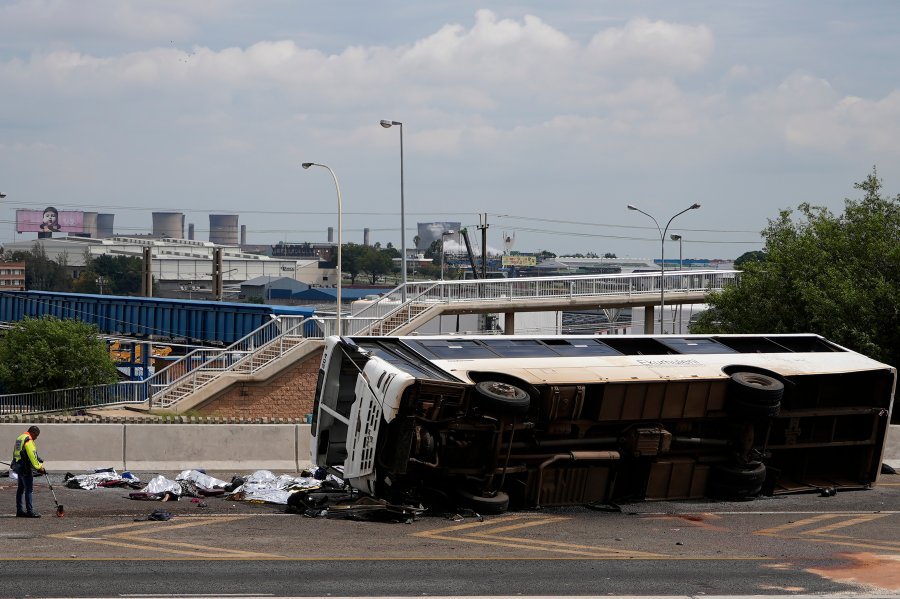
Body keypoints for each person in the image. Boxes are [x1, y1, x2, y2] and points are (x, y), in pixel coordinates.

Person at [11, 426, 45, 518]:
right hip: (25, 468)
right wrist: (39, 467)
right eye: (36, 435)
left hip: (18, 466)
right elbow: (32, 455)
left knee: (20, 489)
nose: (36, 438)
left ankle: (19, 511)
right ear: (33, 433)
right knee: (29, 490)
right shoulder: (28, 440)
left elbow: (15, 452)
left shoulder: (20, 438)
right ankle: (30, 511)